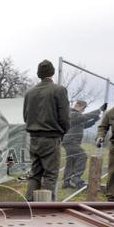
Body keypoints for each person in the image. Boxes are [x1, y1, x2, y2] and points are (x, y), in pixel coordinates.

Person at [22, 59, 70, 200]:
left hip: (34, 139)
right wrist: (63, 132)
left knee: (35, 174)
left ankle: (29, 204)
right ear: (52, 73)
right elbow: (64, 117)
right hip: (51, 138)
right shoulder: (59, 90)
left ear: (39, 74)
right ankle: (47, 208)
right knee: (50, 175)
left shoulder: (29, 93)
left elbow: (25, 116)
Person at [62, 99, 107, 189]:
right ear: (79, 106)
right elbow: (85, 117)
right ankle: (76, 178)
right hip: (71, 141)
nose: (83, 111)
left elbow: (85, 124)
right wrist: (99, 110)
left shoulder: (75, 116)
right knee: (82, 156)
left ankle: (66, 183)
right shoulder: (72, 114)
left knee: (71, 161)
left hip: (70, 141)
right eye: (83, 109)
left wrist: (96, 118)